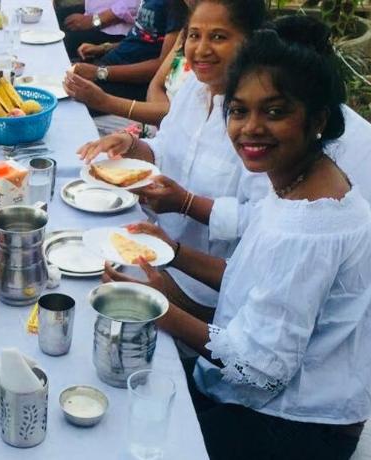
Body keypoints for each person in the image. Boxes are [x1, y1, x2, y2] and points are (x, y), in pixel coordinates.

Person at [119, 29, 371, 458]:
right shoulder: (299, 183)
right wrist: (172, 252)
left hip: (297, 426)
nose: (250, 128)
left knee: (127, 431)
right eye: (238, 110)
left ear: (318, 120)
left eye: (275, 111)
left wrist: (159, 309)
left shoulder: (313, 227)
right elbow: (253, 277)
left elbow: (259, 368)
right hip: (264, 399)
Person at [80, 0, 267, 314]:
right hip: (153, 243)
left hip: (203, 285)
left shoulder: (257, 122)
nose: (201, 49)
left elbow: (260, 219)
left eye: (218, 37)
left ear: (250, 41)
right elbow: (164, 147)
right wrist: (130, 144)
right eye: (194, 35)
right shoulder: (194, 87)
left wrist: (187, 204)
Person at [71, 0, 188, 102]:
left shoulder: (176, 7)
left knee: (71, 98)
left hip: (130, 80)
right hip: (112, 63)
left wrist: (100, 72)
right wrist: (103, 48)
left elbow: (162, 66)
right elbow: (140, 36)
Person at [56, 0, 140, 60]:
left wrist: (93, 21)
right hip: (93, 12)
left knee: (61, 42)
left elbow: (132, 5)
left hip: (114, 29)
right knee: (54, 17)